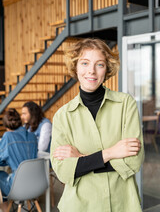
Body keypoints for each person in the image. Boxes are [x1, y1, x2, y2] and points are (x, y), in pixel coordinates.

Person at [50, 38, 144, 212]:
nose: (91, 71)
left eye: (99, 64)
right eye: (85, 63)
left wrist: (81, 158)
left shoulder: (126, 104)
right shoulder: (62, 116)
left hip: (122, 204)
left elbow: (133, 162)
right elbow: (63, 171)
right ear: (75, 67)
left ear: (107, 68)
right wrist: (111, 153)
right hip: (79, 206)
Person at [0, 108, 37, 211]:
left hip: (18, 187)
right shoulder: (32, 136)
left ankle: (5, 209)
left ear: (7, 126)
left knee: (1, 175)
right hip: (37, 184)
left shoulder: (8, 136)